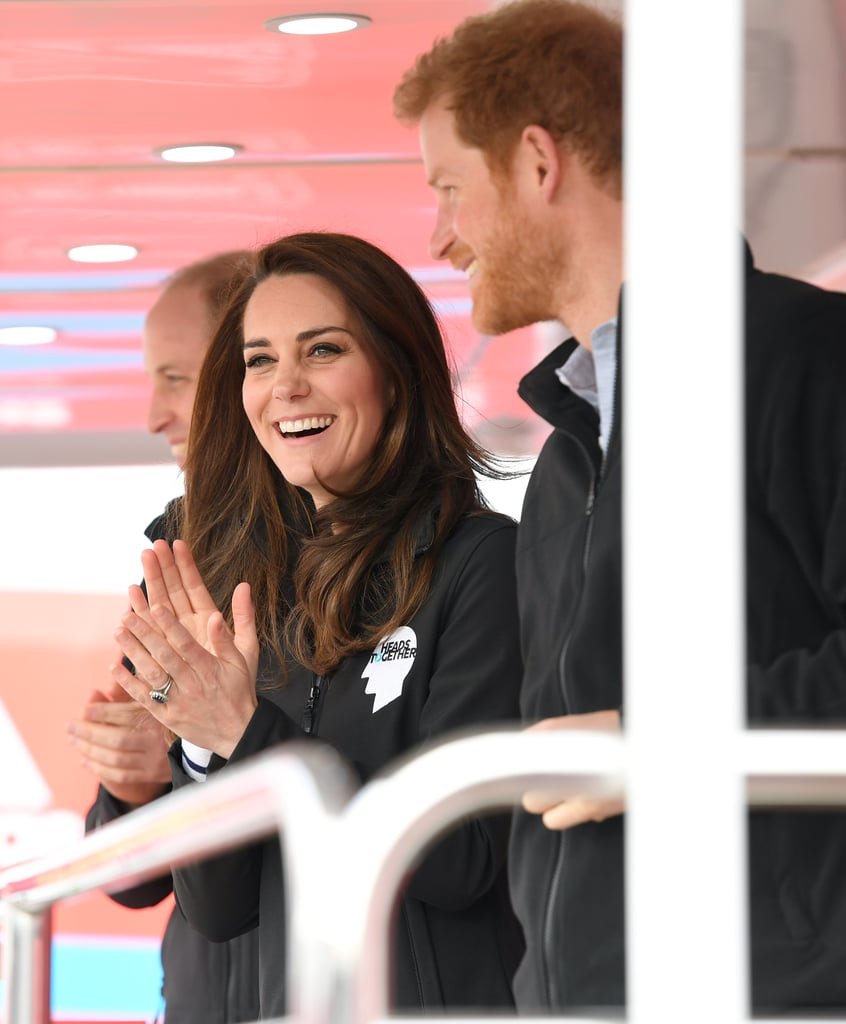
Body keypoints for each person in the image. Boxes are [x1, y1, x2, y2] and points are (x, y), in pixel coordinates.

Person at [393, 0, 846, 1014]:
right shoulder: (563, 463)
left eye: (451, 188)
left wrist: (659, 744)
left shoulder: (803, 359)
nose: (441, 235)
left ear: (538, 163)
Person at [107, 231, 526, 1016]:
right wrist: (200, 741)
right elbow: (221, 909)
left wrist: (245, 732)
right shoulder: (249, 593)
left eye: (322, 350)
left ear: (396, 375)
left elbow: (466, 857)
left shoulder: (483, 561)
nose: (285, 387)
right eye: (259, 360)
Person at [68, 250, 262, 1024]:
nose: (153, 415)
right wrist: (133, 787)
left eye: (175, 379)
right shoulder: (179, 558)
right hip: (200, 997)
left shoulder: (390, 556)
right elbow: (131, 877)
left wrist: (213, 748)